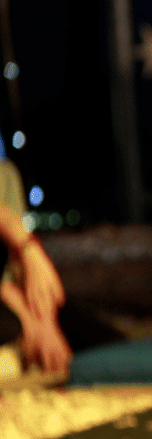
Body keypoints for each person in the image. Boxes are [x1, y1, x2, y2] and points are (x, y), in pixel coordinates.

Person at [1, 157, 71, 378]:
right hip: (6, 300)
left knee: (93, 335)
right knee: (13, 327)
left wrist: (44, 321)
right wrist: (24, 315)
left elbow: (18, 268)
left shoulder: (6, 173)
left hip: (10, 292)